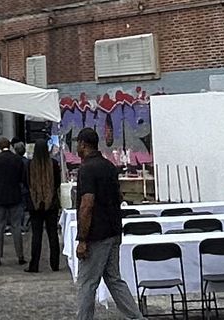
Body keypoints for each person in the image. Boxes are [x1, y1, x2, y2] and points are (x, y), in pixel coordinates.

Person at [73, 127, 141, 320]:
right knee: (113, 279)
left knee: (87, 283)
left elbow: (87, 204)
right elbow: (118, 196)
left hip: (96, 235)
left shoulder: (86, 169)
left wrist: (82, 238)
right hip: (113, 231)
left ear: (83, 144)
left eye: (78, 144)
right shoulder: (109, 166)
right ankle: (136, 317)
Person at [0, 137, 27, 266]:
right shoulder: (18, 160)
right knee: (16, 227)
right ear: (10, 146)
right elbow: (23, 178)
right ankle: (20, 255)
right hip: (15, 196)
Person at [25, 140, 62, 273]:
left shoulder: (30, 165)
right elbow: (57, 182)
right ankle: (55, 264)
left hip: (35, 204)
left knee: (37, 235)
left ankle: (34, 265)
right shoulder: (53, 164)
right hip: (51, 203)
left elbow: (26, 183)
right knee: (52, 234)